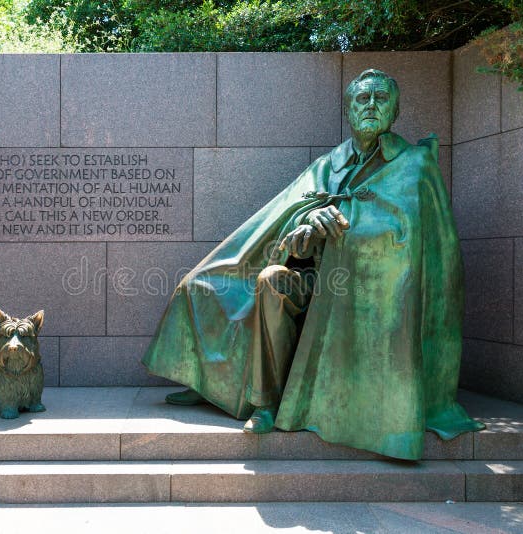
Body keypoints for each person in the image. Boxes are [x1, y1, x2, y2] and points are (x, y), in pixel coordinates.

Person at [141, 69, 484, 460]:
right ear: (348, 110)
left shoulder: (416, 166)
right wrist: (306, 224)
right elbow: (282, 221)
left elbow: (425, 250)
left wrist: (346, 228)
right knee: (234, 282)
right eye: (361, 99)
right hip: (311, 281)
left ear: (395, 109)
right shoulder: (326, 166)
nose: (370, 105)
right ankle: (258, 400)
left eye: (380, 98)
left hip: (362, 294)